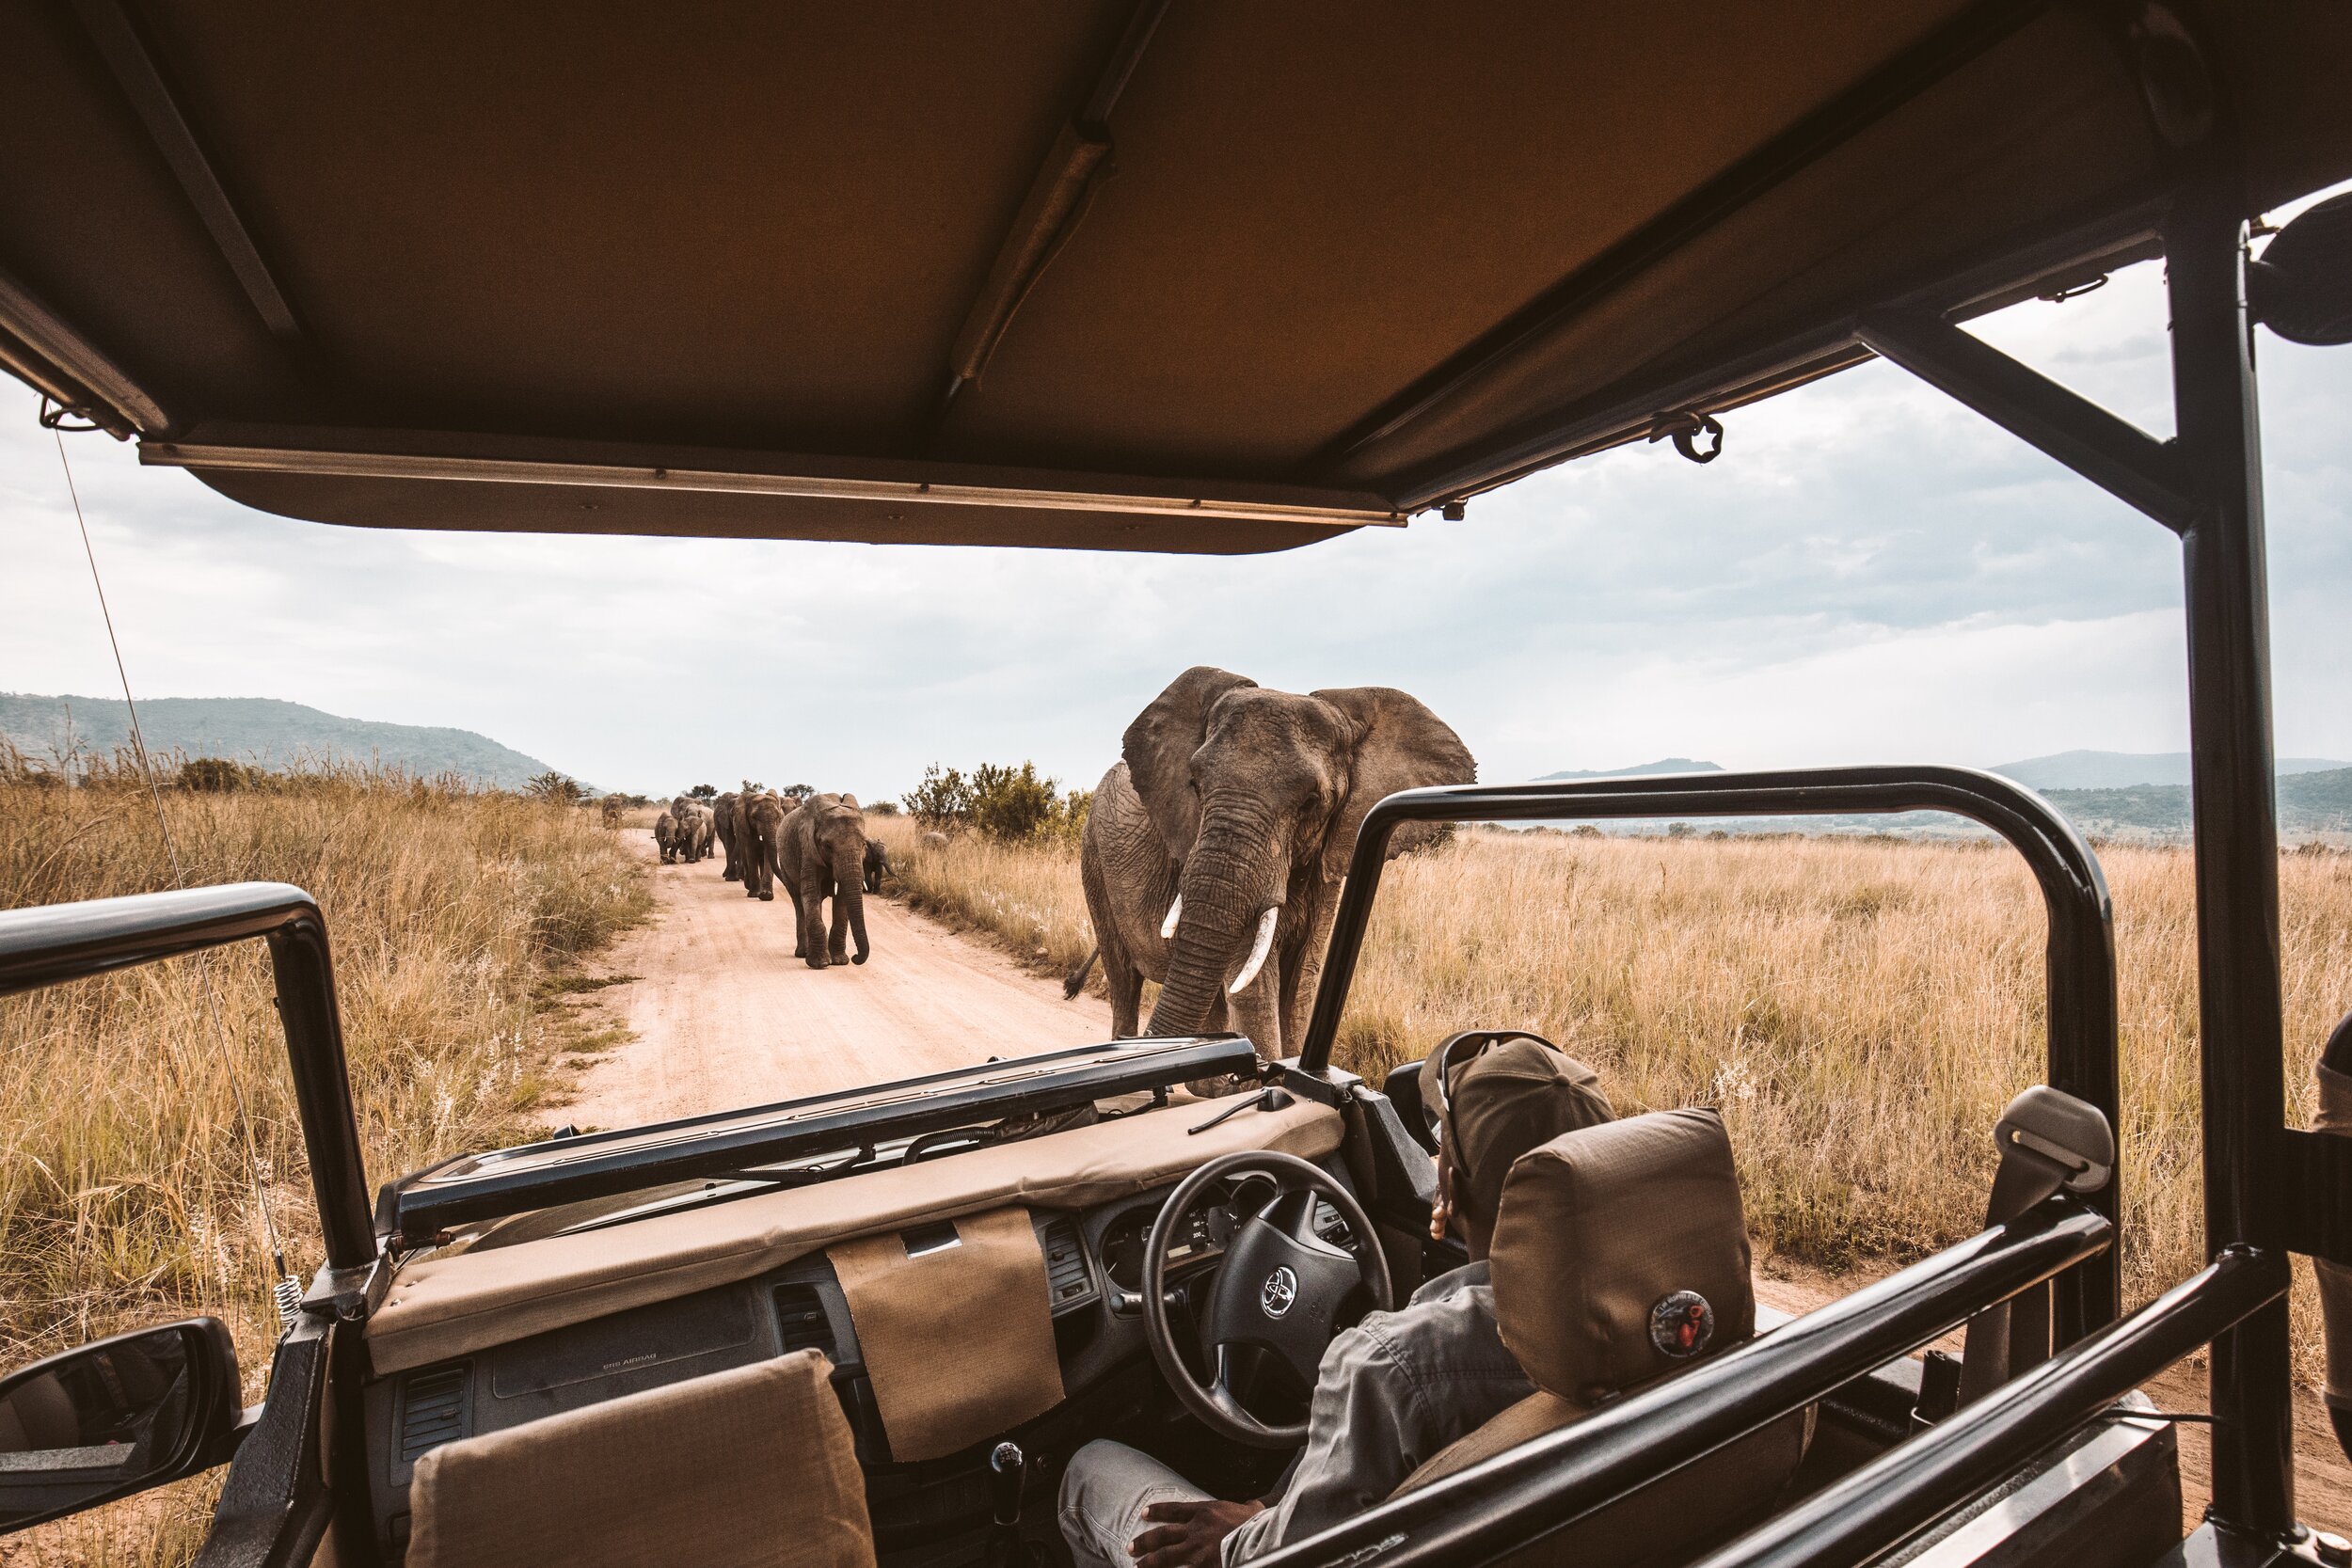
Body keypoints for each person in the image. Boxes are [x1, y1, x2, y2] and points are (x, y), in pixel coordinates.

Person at [1057, 1035, 1614, 1568]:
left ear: (1449, 1187)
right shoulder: (1661, 1311)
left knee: (1088, 1469)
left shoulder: (1391, 1365)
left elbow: (1284, 1557)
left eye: (1443, 1143)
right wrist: (1265, 1509)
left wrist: (1233, 1541)